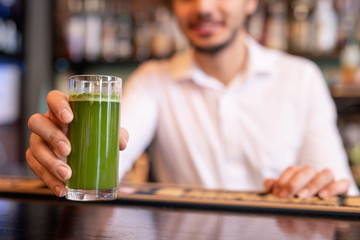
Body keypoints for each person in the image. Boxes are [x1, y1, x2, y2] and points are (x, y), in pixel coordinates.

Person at [26, 0, 359, 198]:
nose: (202, 7)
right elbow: (112, 154)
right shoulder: (153, 80)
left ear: (251, 3)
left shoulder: (301, 78)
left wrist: (321, 186)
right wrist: (64, 148)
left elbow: (340, 189)